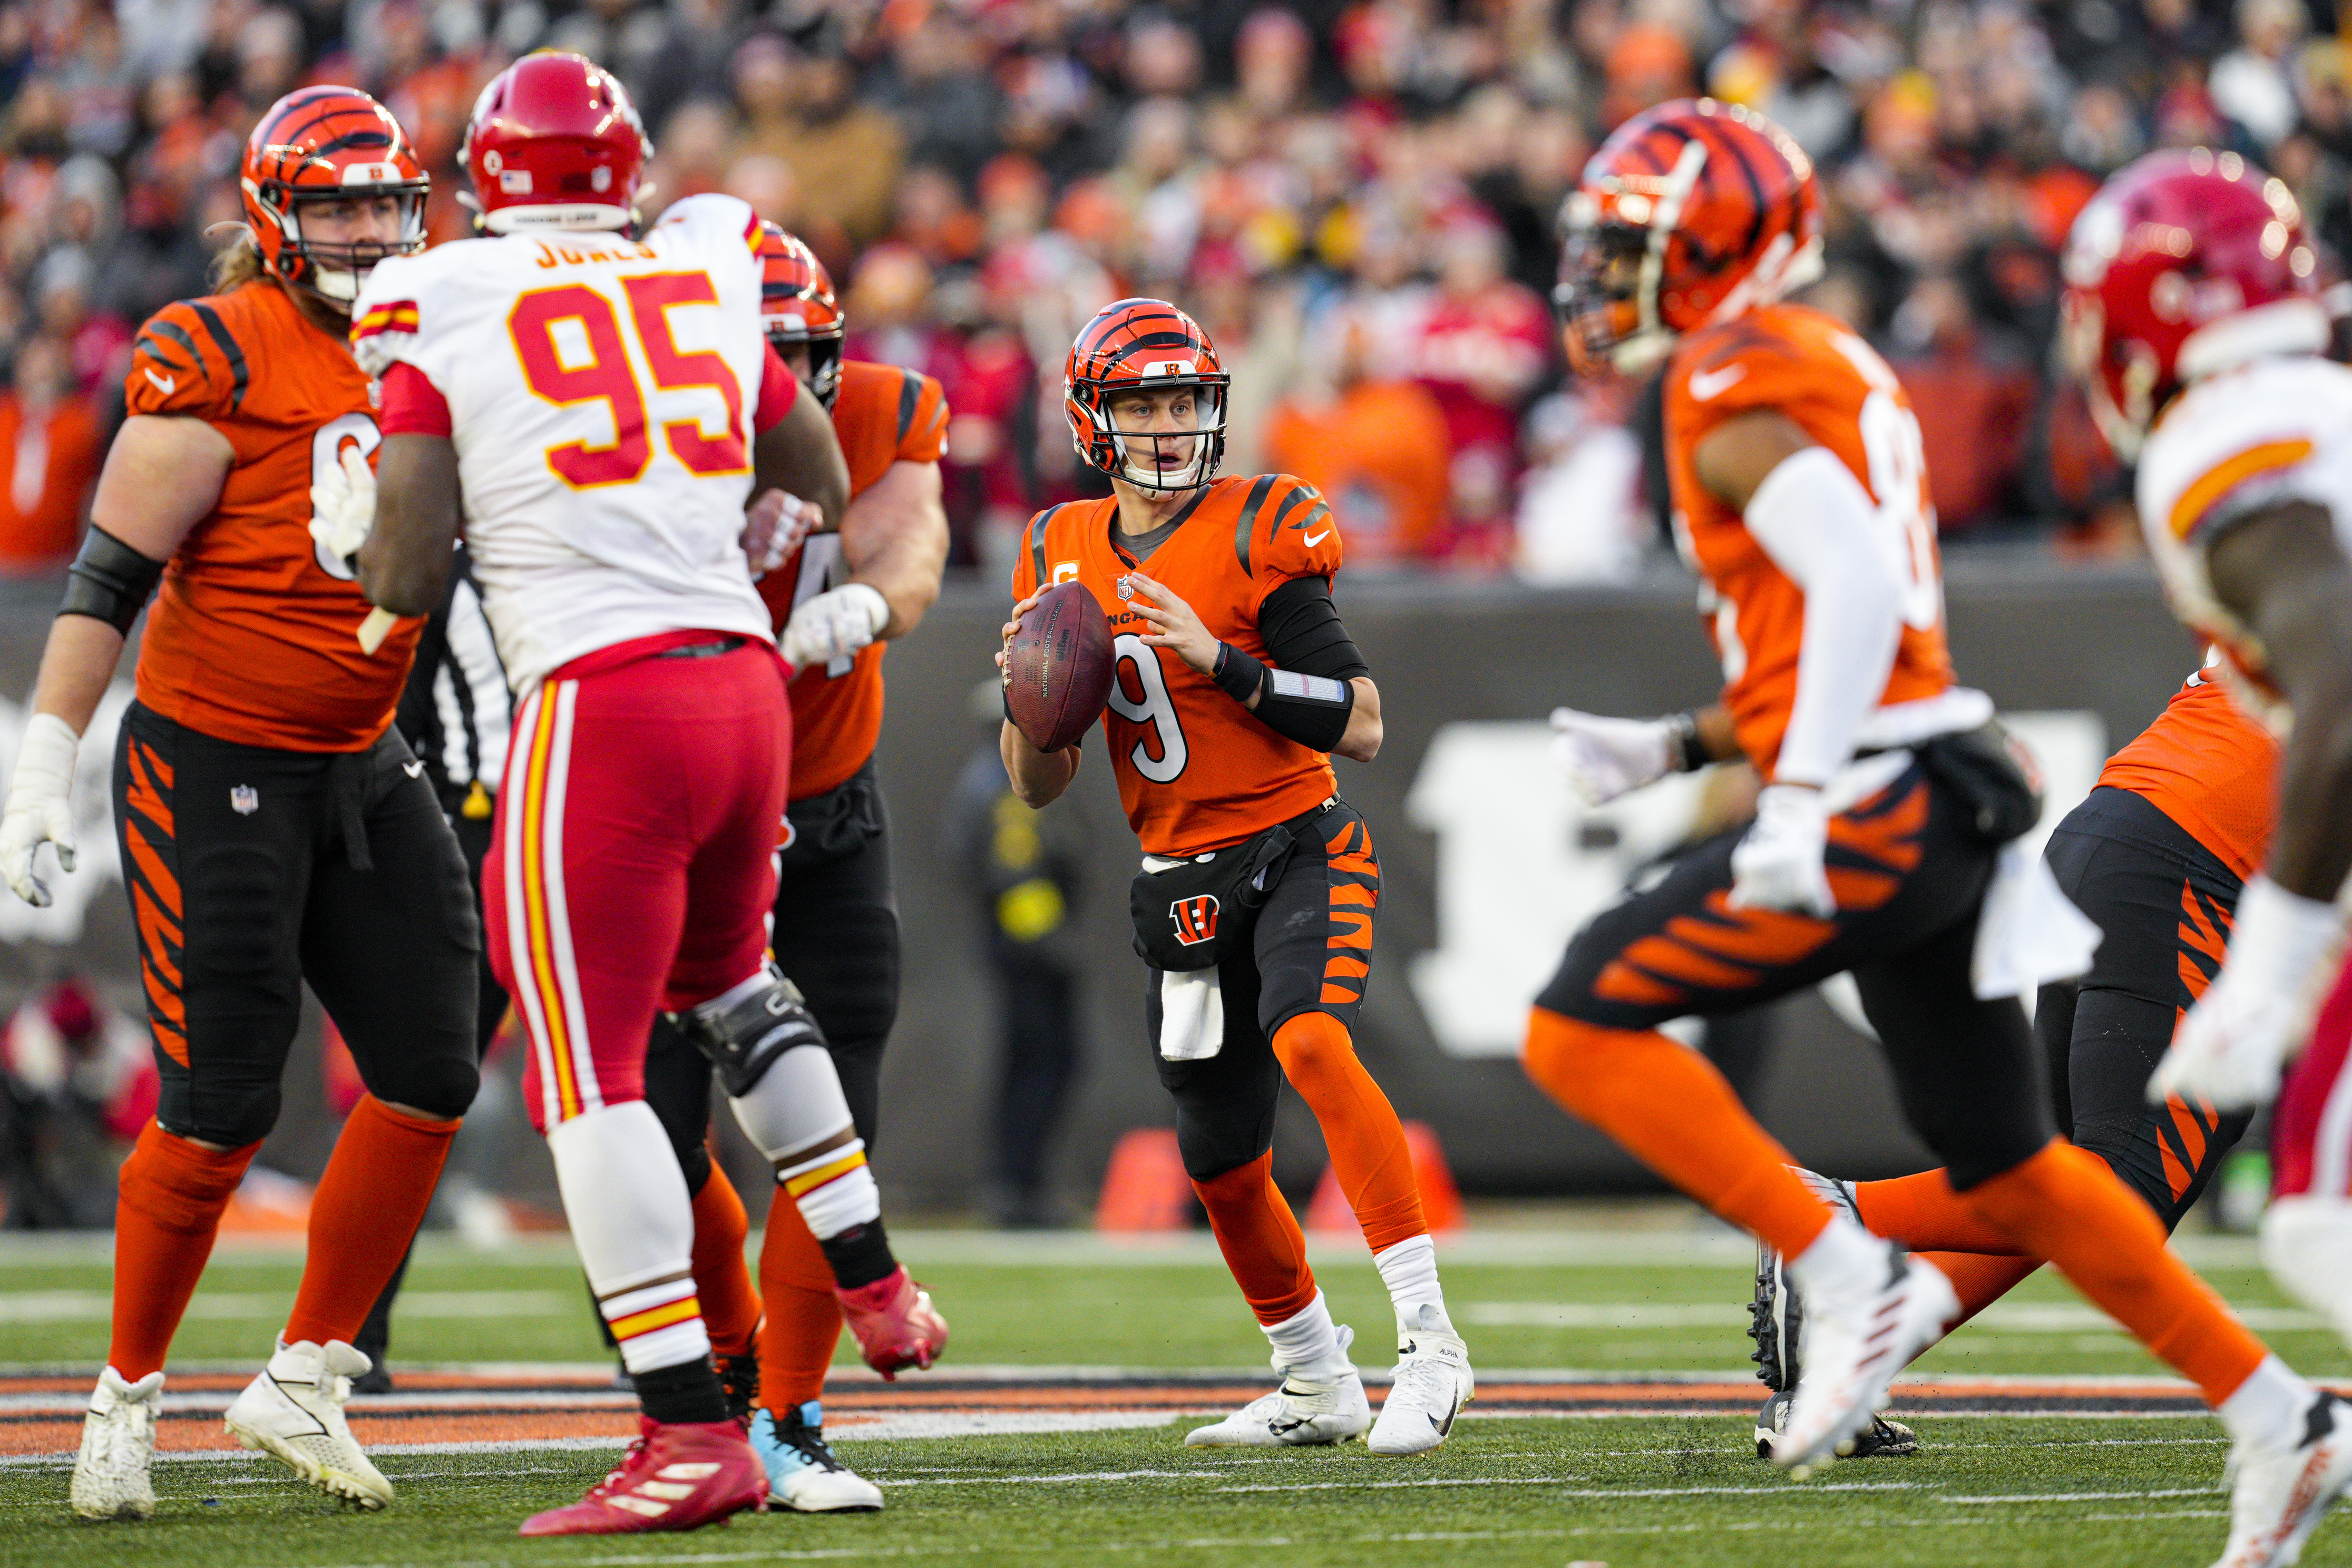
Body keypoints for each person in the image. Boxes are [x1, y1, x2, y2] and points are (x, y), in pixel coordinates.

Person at [1535, 100, 2350, 1561]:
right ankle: (1833, 1236)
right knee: (2096, 1179)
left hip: (2028, 822)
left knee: (2053, 1175)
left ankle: (1855, 1260)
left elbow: (1850, 612)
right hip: (2144, 855)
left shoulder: (1744, 373)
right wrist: (1718, 767)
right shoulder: (1793, 367)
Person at [346, 53, 943, 1537]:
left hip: (596, 704)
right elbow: (804, 458)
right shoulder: (695, 280)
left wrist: (363, 529)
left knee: (585, 1074)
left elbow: (413, 578)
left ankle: (687, 1433)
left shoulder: (442, 298)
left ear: (485, 182)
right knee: (736, 988)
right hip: (739, 685)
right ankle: (872, 1277)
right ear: (629, 178)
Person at [0, 86, 481, 1522]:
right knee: (217, 1104)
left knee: (430, 1063)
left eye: (385, 202)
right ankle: (124, 1401)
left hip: (365, 754)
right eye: (333, 204)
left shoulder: (443, 342)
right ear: (273, 217)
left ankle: (307, 1374)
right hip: (214, 759)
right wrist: (43, 756)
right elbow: (109, 581)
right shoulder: (215, 350)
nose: (365, 230)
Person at [997, 297, 1476, 1456]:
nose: (1165, 426)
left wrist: (1219, 661)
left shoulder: (1262, 522)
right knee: (1217, 1162)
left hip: (1294, 841)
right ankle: (1313, 1377)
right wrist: (1030, 697)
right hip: (1177, 877)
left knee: (1312, 1040)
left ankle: (1431, 1345)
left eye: (1179, 401)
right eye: (1141, 404)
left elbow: (1358, 722)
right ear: (1091, 420)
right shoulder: (1056, 549)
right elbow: (1037, 786)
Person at [1739, 654, 2275, 1457]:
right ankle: (1835, 1217)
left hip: (2120, 835)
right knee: (2118, 1197)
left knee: (2059, 1180)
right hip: (2184, 861)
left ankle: (1839, 1377)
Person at [639, 222, 951, 1514]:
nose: (792, 381)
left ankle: (789, 1415)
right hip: (676, 807)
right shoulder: (624, 425)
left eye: (807, 354)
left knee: (840, 1116)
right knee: (658, 1132)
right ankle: (710, 1384)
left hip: (824, 808)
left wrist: (870, 605)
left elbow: (911, 545)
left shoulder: (883, 408)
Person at [2063, 150, 2352, 1395]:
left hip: (2195, 857)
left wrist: (2275, 960)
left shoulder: (2227, 436)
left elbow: (2341, 685)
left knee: (2313, 1218)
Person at [946, 677, 1087, 1230]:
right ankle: (1020, 1189)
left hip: (1011, 949)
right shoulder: (1008, 787)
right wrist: (1047, 942)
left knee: (1023, 1067)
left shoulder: (973, 781)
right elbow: (1014, 871)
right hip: (1032, 953)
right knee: (1043, 1066)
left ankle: (1015, 1185)